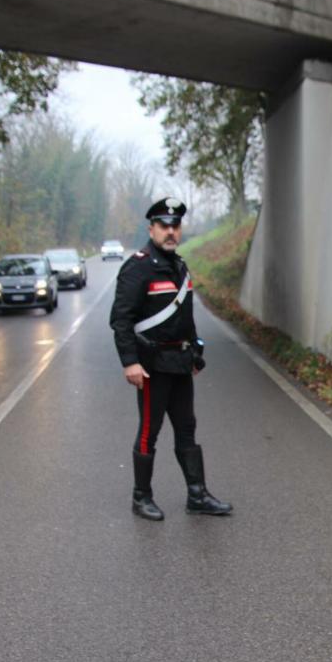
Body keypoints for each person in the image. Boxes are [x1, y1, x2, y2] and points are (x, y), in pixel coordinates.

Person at [109, 197, 233, 521]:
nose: (170, 231)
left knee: (187, 428)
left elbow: (185, 318)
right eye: (164, 225)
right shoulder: (138, 267)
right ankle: (141, 497)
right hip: (151, 366)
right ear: (151, 228)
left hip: (179, 363)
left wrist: (195, 351)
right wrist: (130, 362)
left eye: (175, 225)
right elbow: (121, 319)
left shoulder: (179, 266)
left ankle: (197, 495)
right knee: (150, 430)